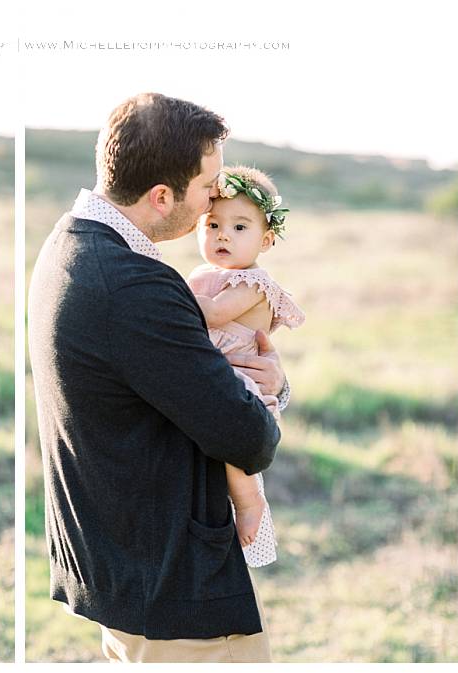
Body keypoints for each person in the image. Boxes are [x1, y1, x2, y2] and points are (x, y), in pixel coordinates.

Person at [27, 93, 288, 663]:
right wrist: (268, 395)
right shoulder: (134, 284)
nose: (212, 200)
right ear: (162, 195)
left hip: (129, 574)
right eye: (206, 186)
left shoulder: (67, 244)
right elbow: (247, 437)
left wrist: (268, 378)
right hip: (174, 592)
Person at [188, 165, 305, 565]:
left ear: (266, 239)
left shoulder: (253, 283)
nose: (224, 235)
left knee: (232, 446)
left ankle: (250, 500)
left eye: (240, 228)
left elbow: (215, 315)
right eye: (213, 224)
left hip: (236, 373)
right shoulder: (205, 274)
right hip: (211, 367)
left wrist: (159, 290)